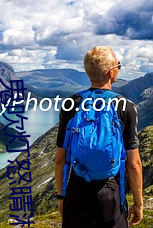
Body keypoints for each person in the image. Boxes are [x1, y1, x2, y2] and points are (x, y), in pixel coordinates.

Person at [55, 46, 143, 228]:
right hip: (110, 193)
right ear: (111, 72)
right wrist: (138, 203)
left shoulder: (71, 103)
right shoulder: (125, 107)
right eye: (119, 65)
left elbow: (60, 159)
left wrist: (61, 196)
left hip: (77, 190)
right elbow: (133, 163)